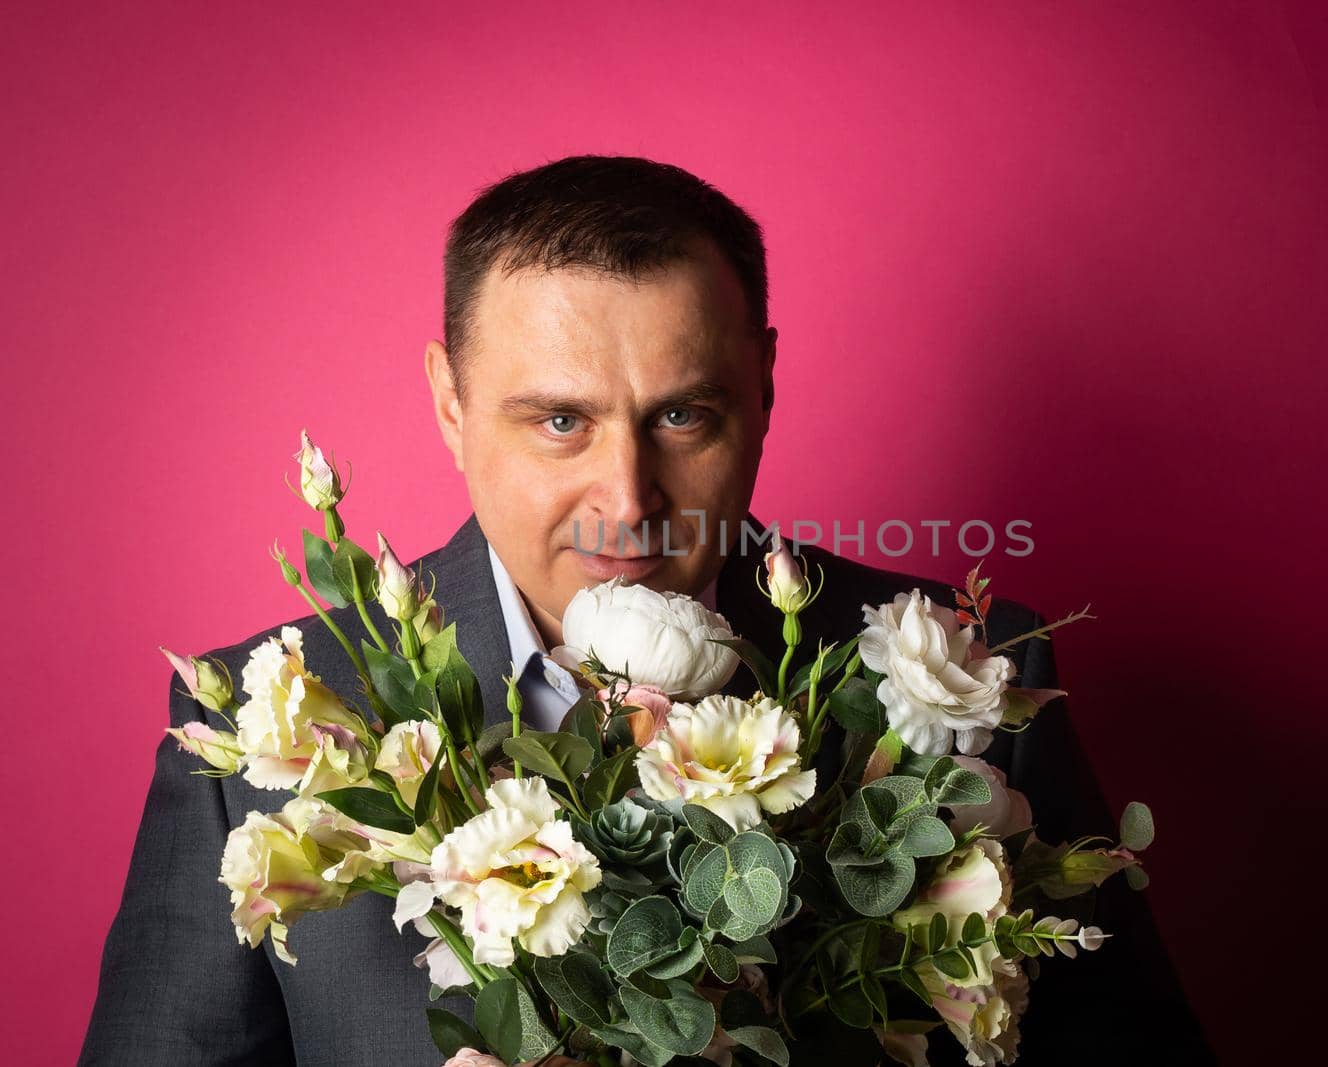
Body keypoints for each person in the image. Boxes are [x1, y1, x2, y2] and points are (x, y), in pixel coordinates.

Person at [81, 156, 1213, 1065]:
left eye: (681, 416)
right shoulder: (256, 736)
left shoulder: (971, 682)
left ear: (763, 386)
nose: (628, 500)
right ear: (449, 402)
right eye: (559, 421)